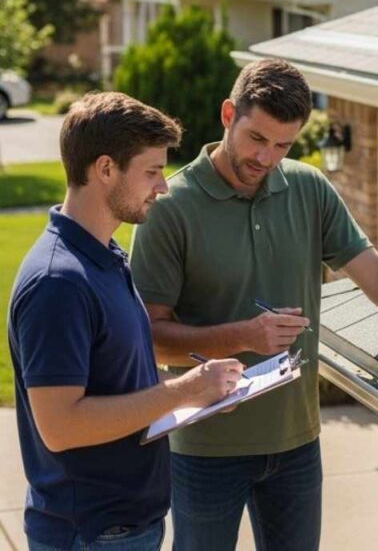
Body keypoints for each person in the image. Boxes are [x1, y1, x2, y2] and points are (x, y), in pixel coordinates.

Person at [130, 58, 378, 550]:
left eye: (283, 145)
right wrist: (243, 335)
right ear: (227, 115)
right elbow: (152, 339)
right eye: (257, 139)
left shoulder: (308, 188)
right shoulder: (171, 207)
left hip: (296, 442)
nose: (267, 158)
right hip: (205, 448)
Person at [8, 92, 244, 551]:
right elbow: (60, 427)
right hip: (91, 534)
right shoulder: (59, 282)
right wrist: (185, 388)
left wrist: (203, 397)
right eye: (152, 171)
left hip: (124, 528)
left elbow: (120, 383)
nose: (164, 186)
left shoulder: (105, 256)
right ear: (105, 169)